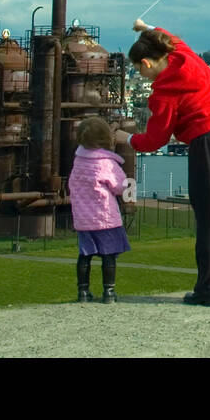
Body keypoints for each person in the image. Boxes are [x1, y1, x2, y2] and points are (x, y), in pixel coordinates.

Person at [129, 21, 210, 306]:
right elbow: (170, 38)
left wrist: (126, 139)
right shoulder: (184, 56)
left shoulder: (164, 92)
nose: (141, 75)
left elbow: (154, 140)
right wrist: (144, 27)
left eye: (139, 69)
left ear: (146, 63)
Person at [67, 116, 131, 303]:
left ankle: (83, 292)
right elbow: (120, 186)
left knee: (84, 255)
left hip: (83, 219)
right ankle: (109, 292)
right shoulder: (106, 163)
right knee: (109, 256)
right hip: (105, 218)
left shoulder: (78, 160)